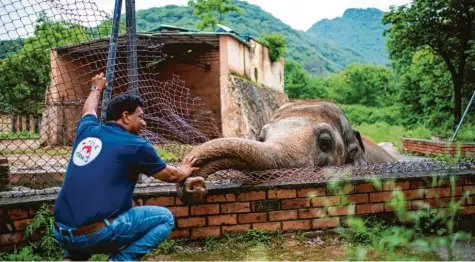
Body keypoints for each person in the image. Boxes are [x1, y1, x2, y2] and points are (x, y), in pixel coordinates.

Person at [52, 72, 199, 261]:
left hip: (61, 233)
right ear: (126, 117)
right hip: (95, 235)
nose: (144, 123)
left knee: (88, 216)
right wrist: (184, 171)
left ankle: (72, 257)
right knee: (165, 218)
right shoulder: (135, 145)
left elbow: (88, 109)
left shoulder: (87, 130)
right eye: (141, 116)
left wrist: (96, 88)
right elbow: (170, 175)